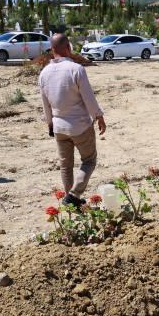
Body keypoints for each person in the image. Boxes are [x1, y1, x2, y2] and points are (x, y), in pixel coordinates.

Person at [39, 34, 107, 208]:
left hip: (59, 127)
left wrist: (50, 124)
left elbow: (45, 103)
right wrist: (98, 116)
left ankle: (71, 201)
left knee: (65, 166)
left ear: (52, 50)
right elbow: (88, 98)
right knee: (89, 160)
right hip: (80, 126)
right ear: (68, 47)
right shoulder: (76, 69)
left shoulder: (44, 73)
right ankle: (74, 195)